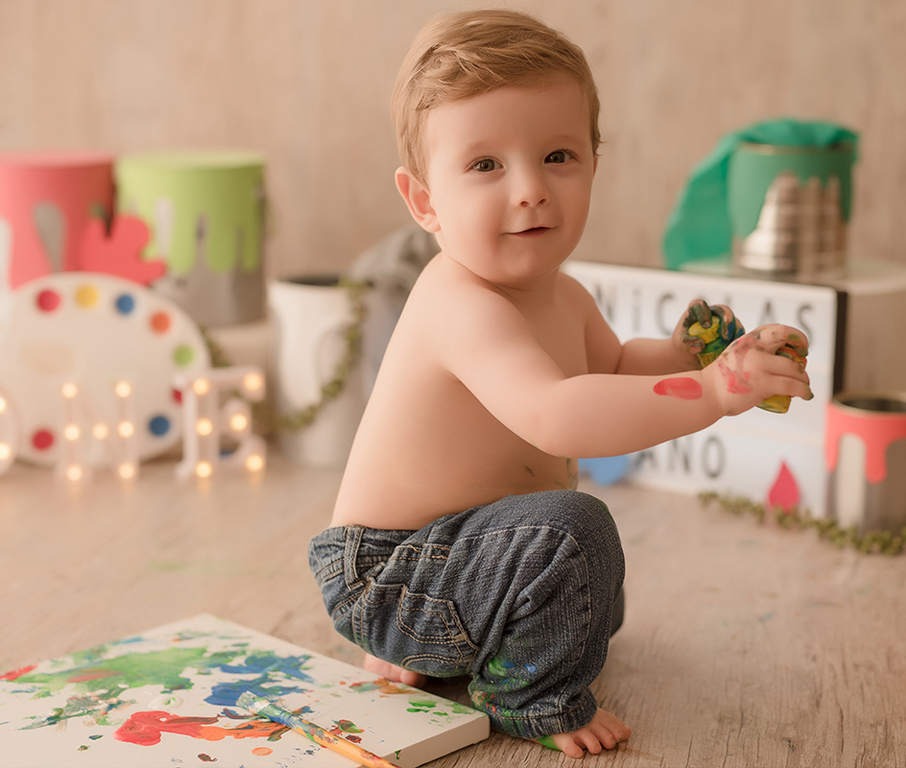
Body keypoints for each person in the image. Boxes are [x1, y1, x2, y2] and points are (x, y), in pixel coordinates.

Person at [308, 9, 812, 758]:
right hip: (388, 568)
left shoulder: (561, 293)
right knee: (573, 538)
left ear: (593, 164)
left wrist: (686, 358)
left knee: (592, 600)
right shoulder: (459, 301)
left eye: (557, 155)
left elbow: (607, 373)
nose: (530, 190)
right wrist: (711, 397)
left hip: (461, 556)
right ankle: (527, 697)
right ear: (424, 203)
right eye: (486, 166)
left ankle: (436, 648)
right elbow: (556, 413)